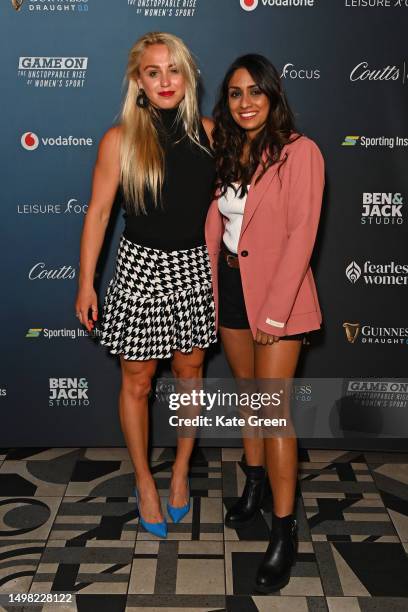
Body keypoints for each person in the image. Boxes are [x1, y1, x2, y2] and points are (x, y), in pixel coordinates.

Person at [75, 32, 217, 539]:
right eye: (153, 72)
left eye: (173, 70)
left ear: (187, 77)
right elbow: (98, 214)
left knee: (189, 375)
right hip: (138, 268)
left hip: (191, 267)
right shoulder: (119, 140)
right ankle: (144, 480)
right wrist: (85, 283)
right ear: (139, 80)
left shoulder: (209, 134)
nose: (164, 80)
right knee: (136, 381)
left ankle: (179, 471)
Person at [205, 54, 324, 592]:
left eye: (256, 91)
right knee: (248, 395)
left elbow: (301, 238)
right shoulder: (229, 149)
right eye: (234, 93)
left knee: (275, 414)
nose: (245, 102)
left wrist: (274, 314)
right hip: (231, 287)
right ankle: (253, 484)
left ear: (274, 96)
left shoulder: (301, 153)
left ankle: (284, 529)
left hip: (281, 295)